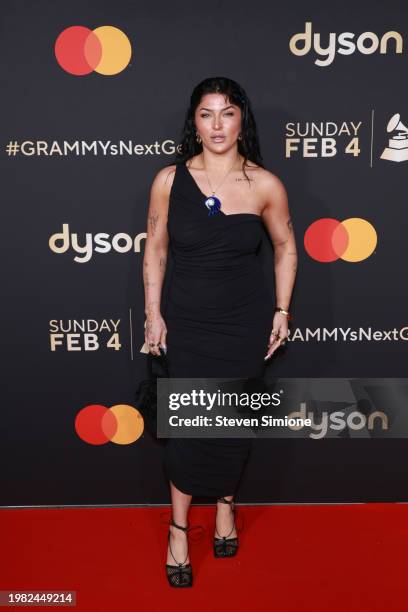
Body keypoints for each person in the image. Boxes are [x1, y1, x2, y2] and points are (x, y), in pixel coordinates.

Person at [142, 76, 297, 587]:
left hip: (243, 326)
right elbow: (156, 251)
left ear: (241, 120)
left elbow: (286, 248)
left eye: (227, 113)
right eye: (206, 114)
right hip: (186, 324)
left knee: (232, 424)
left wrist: (280, 311)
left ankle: (226, 507)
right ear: (194, 121)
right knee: (187, 431)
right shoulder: (168, 180)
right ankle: (179, 530)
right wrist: (152, 313)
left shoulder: (266, 184)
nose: (216, 125)